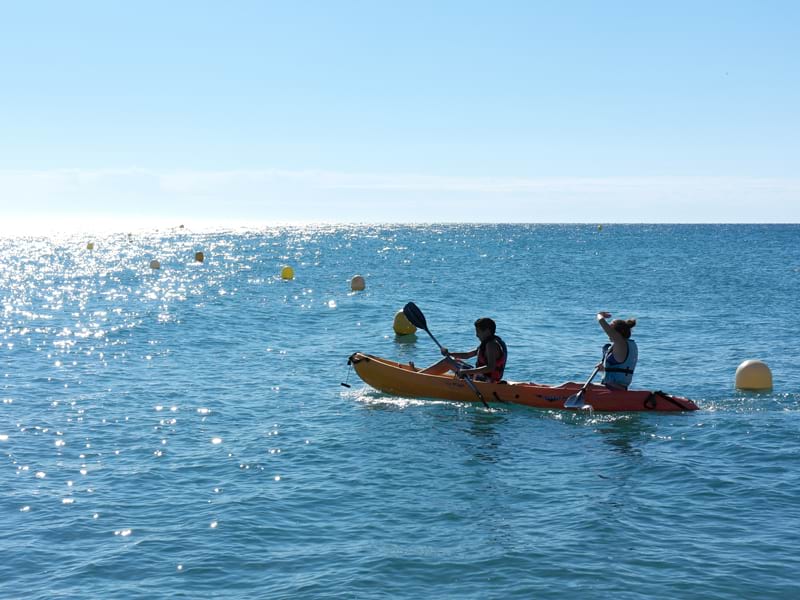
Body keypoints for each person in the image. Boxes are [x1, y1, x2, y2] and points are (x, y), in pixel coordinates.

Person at [420, 317, 507, 382]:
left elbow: (490, 367)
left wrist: (466, 371)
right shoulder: (489, 342)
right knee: (453, 360)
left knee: (447, 362)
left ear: (487, 331)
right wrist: (449, 354)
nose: (476, 335)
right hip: (482, 376)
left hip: (486, 381)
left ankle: (419, 377)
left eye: (478, 331)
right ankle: (422, 375)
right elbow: (468, 355)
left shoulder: (491, 345)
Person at [596, 311, 638, 390]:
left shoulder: (620, 343)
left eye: (611, 331)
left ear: (618, 333)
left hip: (613, 389)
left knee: (569, 385)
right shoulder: (627, 345)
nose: (608, 334)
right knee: (571, 385)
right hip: (617, 387)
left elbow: (602, 321)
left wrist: (599, 315)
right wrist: (604, 367)